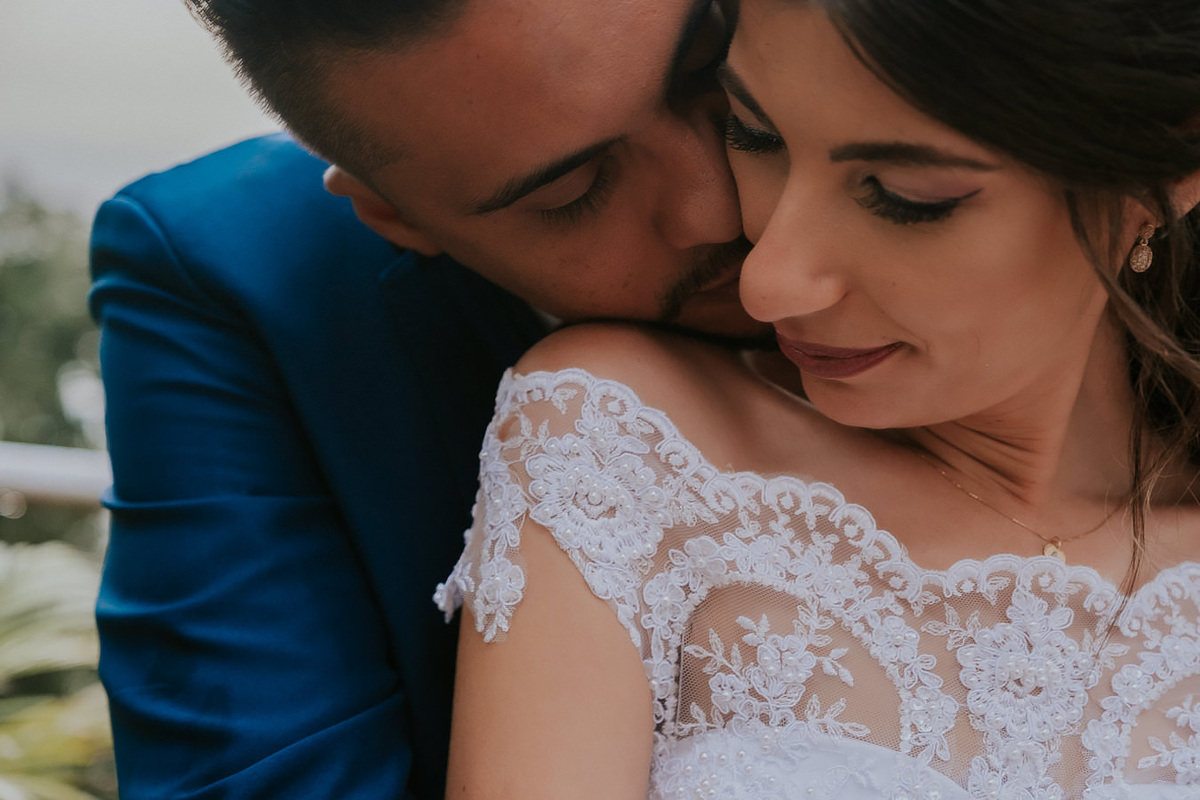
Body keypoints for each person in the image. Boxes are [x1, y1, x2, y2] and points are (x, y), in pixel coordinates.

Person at [437, 0, 1200, 796]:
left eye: (905, 194)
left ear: (1166, 171)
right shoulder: (621, 439)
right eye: (753, 134)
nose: (767, 280)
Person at [89, 0, 776, 798]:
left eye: (716, 81)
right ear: (395, 216)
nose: (717, 206)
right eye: (572, 193)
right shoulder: (242, 274)